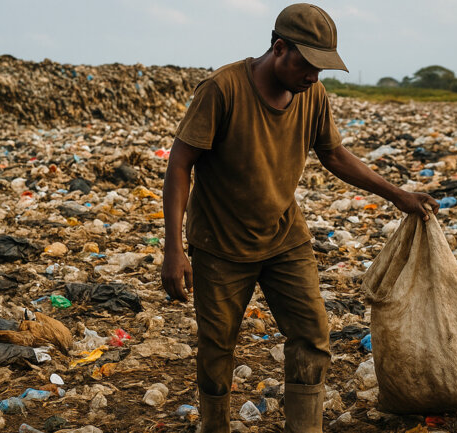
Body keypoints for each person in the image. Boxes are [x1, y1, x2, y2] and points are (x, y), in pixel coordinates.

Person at [161, 3, 439, 432]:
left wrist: (397, 194)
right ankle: (213, 425)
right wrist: (174, 250)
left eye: (322, 69)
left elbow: (333, 154)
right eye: (308, 65)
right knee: (217, 348)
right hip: (220, 245)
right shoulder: (222, 89)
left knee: (312, 336)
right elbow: (179, 163)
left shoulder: (313, 95)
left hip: (285, 239)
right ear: (279, 48)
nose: (314, 76)